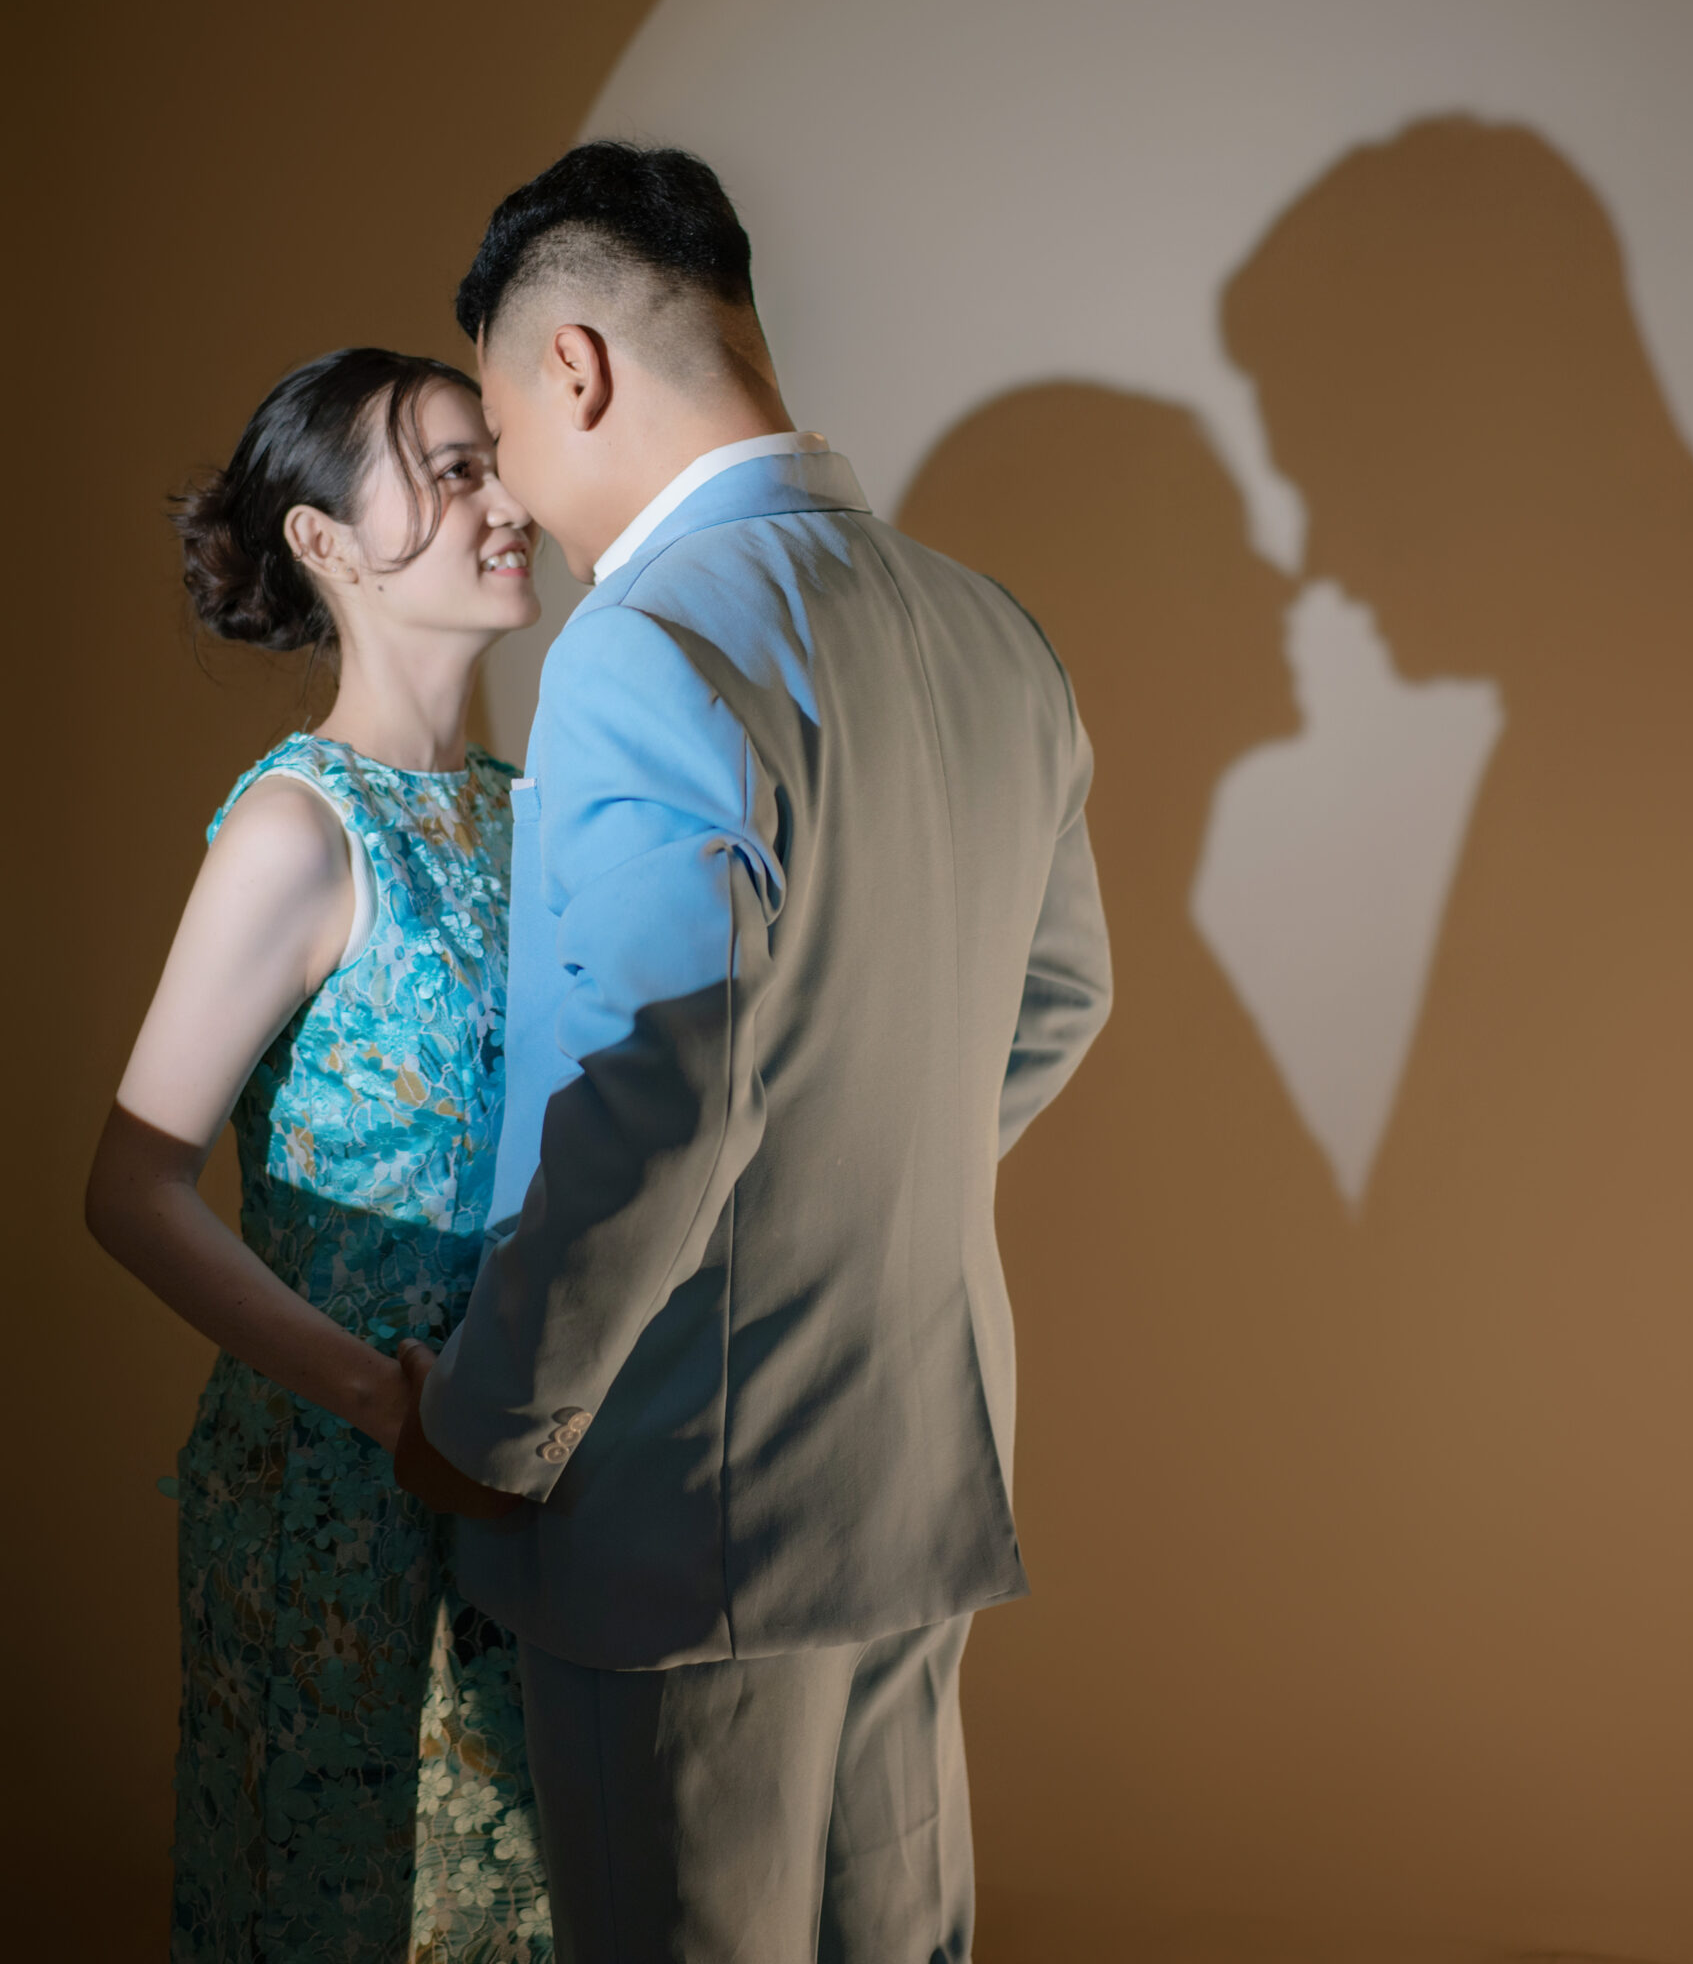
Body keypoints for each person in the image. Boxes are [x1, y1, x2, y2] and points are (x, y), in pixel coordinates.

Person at [391, 142, 1115, 1962]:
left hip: (680, 1492)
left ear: (572, 368)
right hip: (918, 1443)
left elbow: (654, 1092)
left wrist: (492, 1428)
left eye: (502, 430)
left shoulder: (645, 643)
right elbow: (1058, 995)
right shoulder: (994, 632)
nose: (515, 494)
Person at [85, 347, 554, 1964]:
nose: (508, 502)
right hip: (335, 1498)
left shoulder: (534, 811)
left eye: (499, 462)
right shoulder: (301, 828)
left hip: (518, 1475)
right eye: (454, 470)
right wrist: (382, 1405)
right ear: (324, 542)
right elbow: (130, 1190)